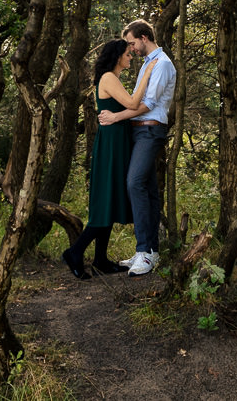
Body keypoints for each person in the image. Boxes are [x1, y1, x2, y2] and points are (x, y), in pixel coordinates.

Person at [61, 36, 153, 279]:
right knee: (105, 204)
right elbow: (134, 103)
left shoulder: (114, 78)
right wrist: (149, 71)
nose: (131, 57)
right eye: (127, 54)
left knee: (110, 200)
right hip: (111, 144)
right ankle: (74, 252)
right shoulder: (109, 78)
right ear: (117, 56)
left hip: (117, 140)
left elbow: (127, 108)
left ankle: (100, 259)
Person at [98, 18, 174, 276]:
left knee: (134, 183)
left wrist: (116, 117)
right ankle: (150, 251)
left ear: (143, 37)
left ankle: (144, 251)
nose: (130, 49)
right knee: (148, 190)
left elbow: (148, 104)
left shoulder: (161, 65)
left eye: (131, 43)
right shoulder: (147, 65)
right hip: (139, 131)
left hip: (150, 130)